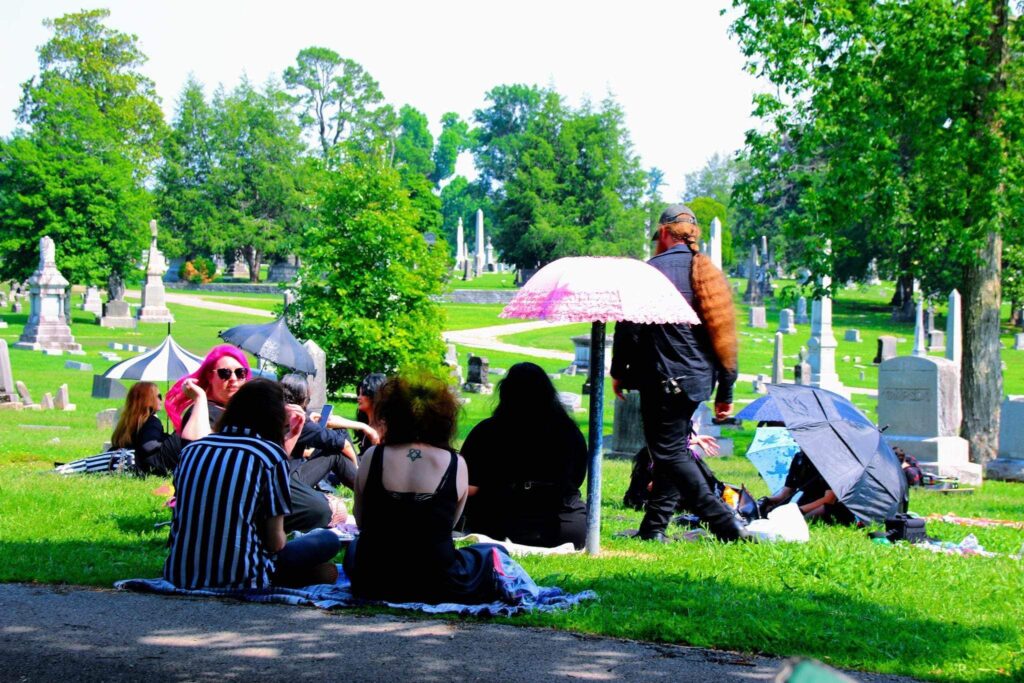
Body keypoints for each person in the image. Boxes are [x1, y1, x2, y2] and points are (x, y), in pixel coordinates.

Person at [610, 203, 746, 542]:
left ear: (666, 233)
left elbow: (628, 331)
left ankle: (727, 526)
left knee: (670, 453)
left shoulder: (650, 272)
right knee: (672, 451)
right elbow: (724, 338)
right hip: (696, 382)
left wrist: (619, 372)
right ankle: (653, 529)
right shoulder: (708, 273)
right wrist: (725, 393)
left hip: (664, 379)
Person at [344, 374, 509, 604]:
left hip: (376, 578)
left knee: (354, 550)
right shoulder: (455, 463)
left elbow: (361, 521)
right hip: (437, 580)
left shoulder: (373, 456)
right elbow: (447, 526)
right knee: (490, 555)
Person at [164, 379, 340, 590]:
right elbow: (275, 543)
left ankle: (307, 575)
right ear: (275, 417)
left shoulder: (192, 451)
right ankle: (302, 576)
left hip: (180, 573)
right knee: (328, 539)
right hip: (241, 576)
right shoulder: (268, 455)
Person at [460, 362, 587, 549]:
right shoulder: (568, 432)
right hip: (566, 527)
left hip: (502, 524)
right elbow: (577, 478)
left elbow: (467, 484)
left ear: (505, 393)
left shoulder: (488, 432)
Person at [279, 372, 379, 490]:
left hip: (280, 476)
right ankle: (367, 490)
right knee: (334, 452)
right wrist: (356, 467)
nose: (359, 397)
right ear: (302, 398)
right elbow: (344, 444)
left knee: (339, 434)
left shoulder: (277, 413)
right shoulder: (300, 422)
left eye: (363, 393)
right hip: (288, 483)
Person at [164, 345, 251, 442]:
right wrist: (199, 397)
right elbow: (197, 446)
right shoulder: (203, 411)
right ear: (209, 376)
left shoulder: (238, 412)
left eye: (240, 372)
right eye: (225, 373)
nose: (233, 379)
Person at [760, 451, 855, 525]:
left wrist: (798, 511)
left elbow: (829, 499)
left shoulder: (831, 460)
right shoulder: (799, 458)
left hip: (831, 507)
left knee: (795, 521)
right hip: (806, 501)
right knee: (771, 513)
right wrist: (767, 500)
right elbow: (786, 494)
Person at [110, 381, 181, 476]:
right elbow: (149, 446)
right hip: (151, 466)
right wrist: (167, 442)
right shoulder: (151, 421)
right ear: (148, 400)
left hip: (134, 461)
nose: (162, 399)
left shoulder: (128, 420)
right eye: (158, 396)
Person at [353, 373, 386, 456]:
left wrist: (364, 427)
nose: (359, 398)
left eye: (363, 394)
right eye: (359, 394)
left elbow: (379, 456)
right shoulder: (366, 422)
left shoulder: (384, 426)